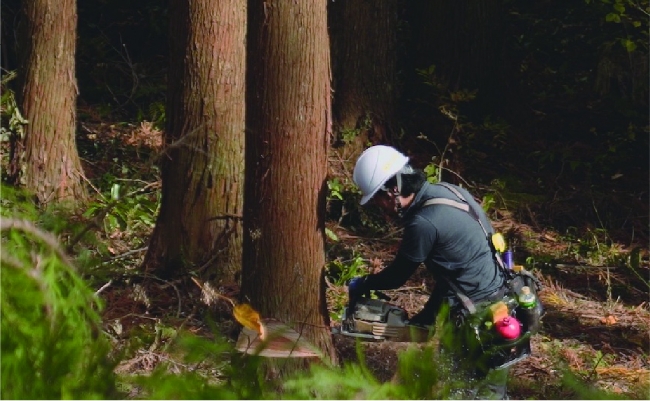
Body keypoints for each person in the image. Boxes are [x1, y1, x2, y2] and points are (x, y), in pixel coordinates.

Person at [347, 144, 512, 399]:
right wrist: (427, 316)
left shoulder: (423, 223)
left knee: (464, 390)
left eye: (379, 202)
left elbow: (397, 276)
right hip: (501, 301)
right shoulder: (451, 191)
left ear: (393, 191)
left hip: (475, 318)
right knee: (485, 389)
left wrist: (365, 283)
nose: (383, 210)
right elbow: (457, 272)